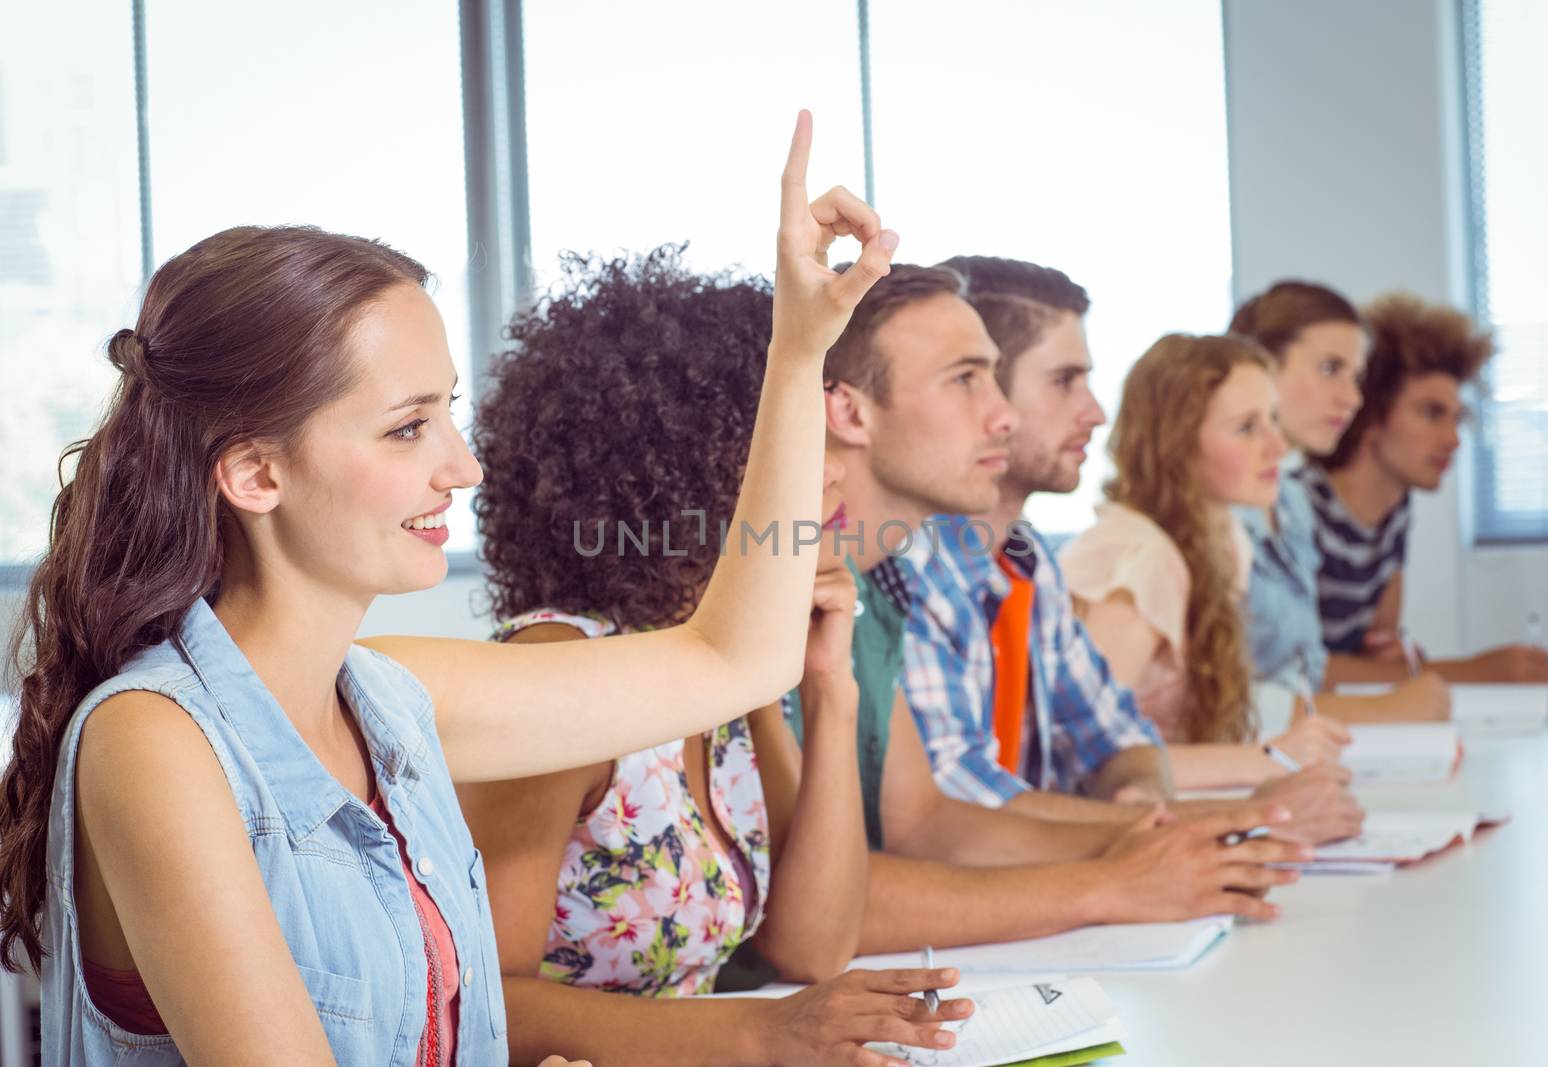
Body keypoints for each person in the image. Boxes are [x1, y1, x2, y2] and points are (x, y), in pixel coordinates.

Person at [0, 114, 958, 1066]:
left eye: (449, 413)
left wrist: (799, 351)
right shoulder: (154, 743)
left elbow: (736, 657)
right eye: (408, 428)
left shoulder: (393, 699)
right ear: (256, 474)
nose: (462, 467)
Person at [463, 248, 969, 1065]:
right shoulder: (561, 668)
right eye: (798, 439)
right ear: (690, 473)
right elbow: (486, 1005)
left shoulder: (723, 668)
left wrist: (829, 686)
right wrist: (759, 1035)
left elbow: (813, 943)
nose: (837, 468)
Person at [818, 260, 1314, 949]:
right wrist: (1165, 845)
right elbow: (853, 882)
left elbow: (936, 813)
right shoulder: (871, 573)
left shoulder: (967, 567)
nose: (1001, 414)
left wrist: (1157, 824)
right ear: (846, 411)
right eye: (966, 379)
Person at [895, 255, 1360, 845]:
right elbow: (956, 813)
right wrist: (1235, 817)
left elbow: (1119, 739)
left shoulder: (1026, 561)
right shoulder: (911, 569)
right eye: (1065, 380)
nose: (1095, 412)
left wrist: (1139, 803)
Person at [1060, 333, 1358, 792]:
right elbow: (1082, 759)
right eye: (1245, 428)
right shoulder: (1139, 557)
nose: (1277, 447)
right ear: (1176, 446)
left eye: (1273, 420)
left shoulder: (1227, 540)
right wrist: (1267, 759)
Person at [1229, 280, 1452, 723]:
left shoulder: (1289, 503)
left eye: (1356, 377)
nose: (1352, 399)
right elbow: (1218, 705)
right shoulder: (1218, 509)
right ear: (1259, 367)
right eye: (1330, 369)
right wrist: (1384, 706)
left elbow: (1303, 674)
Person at [1304, 292, 1548, 685]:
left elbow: (1374, 655)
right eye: (1431, 413)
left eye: (1456, 417)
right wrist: (1469, 672)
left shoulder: (1395, 509)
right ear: (1370, 413)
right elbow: (1292, 674)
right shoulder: (1301, 508)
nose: (1453, 439)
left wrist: (1397, 662)